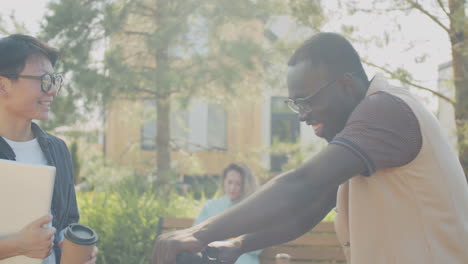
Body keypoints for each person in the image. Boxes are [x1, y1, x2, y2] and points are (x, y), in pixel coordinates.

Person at [152, 32, 468, 264]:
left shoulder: (386, 110)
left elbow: (302, 184)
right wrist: (239, 243)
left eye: (306, 101)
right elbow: (307, 208)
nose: (302, 115)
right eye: (295, 104)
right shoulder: (361, 146)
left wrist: (200, 232)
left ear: (346, 85)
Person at [0, 34, 97, 264]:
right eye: (44, 80)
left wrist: (80, 252)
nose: (52, 90)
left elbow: (66, 226)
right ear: (3, 85)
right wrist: (18, 245)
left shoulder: (58, 149)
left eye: (55, 80)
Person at [193, 163, 261, 264]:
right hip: (212, 257)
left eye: (238, 184)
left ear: (244, 186)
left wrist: (234, 244)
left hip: (242, 259)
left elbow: (257, 249)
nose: (232, 188)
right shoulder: (210, 206)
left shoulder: (251, 209)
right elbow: (196, 237)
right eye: (230, 182)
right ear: (223, 182)